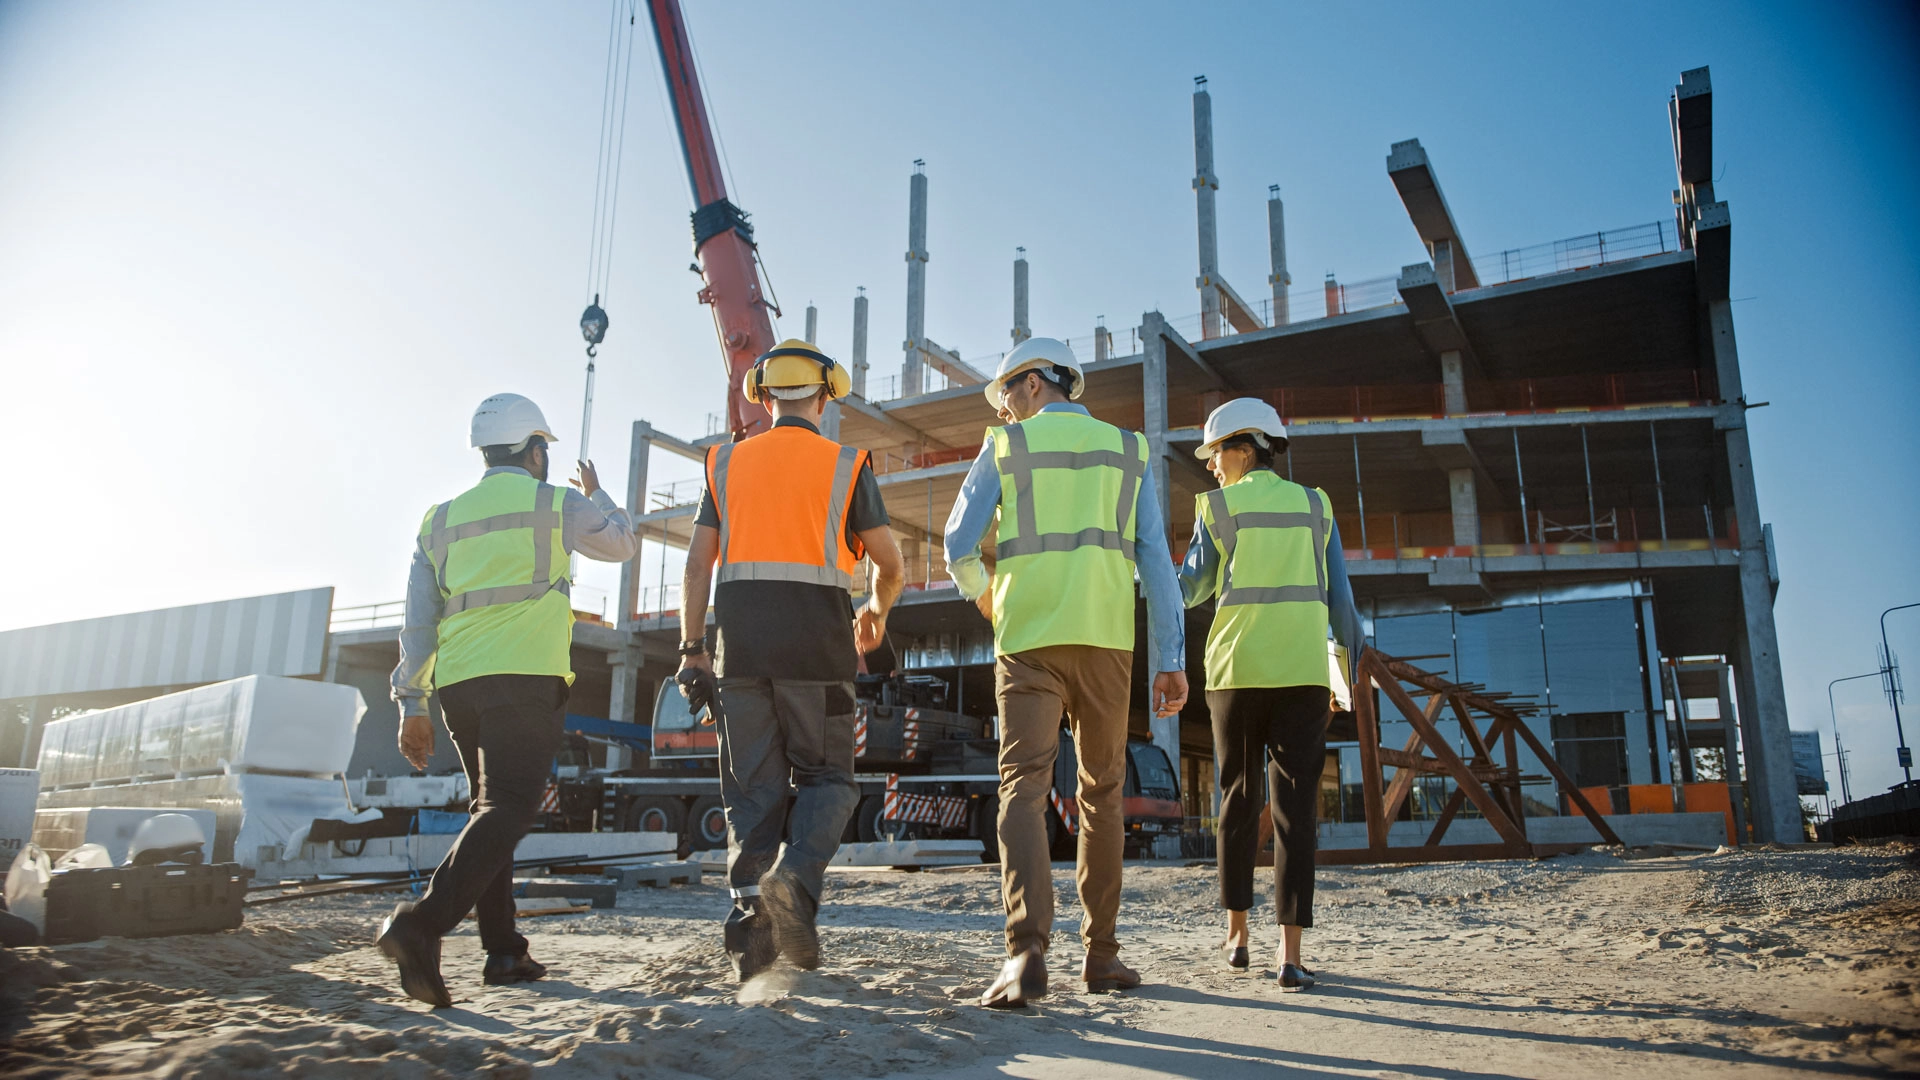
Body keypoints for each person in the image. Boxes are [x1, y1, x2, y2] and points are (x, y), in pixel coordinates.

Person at [943, 336, 1188, 1009]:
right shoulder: (1128, 451)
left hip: (1027, 641)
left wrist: (987, 595)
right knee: (1101, 795)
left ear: (1029, 384)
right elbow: (1156, 564)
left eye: (1007, 399)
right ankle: (1102, 957)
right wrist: (1171, 659)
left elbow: (956, 544)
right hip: (1108, 643)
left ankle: (1025, 953)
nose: (1007, 415)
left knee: (1022, 789)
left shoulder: (1007, 449)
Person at [378, 392, 640, 1008]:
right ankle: (421, 925)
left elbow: (417, 623)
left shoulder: (439, 519)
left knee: (488, 812)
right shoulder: (557, 504)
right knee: (511, 809)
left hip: (459, 687)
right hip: (523, 680)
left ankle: (504, 951)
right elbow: (622, 545)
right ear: (536, 450)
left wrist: (410, 703)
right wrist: (600, 496)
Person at [677, 339, 906, 981]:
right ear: (825, 394)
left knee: (754, 795)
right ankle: (796, 879)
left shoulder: (724, 463)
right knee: (829, 781)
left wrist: (693, 648)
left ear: (764, 394)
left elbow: (697, 564)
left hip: (740, 656)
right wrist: (876, 611)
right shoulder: (846, 464)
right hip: (819, 653)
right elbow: (891, 565)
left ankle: (753, 956)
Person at [1178, 398, 1364, 990]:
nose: (1210, 465)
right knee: (1296, 813)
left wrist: (1145, 558)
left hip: (1235, 673)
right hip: (1302, 674)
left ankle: (1236, 938)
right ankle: (1290, 955)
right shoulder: (1316, 505)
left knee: (1235, 799)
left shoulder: (1217, 509)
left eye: (1216, 453)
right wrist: (1343, 676)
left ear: (1246, 448)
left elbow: (1189, 591)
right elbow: (1343, 605)